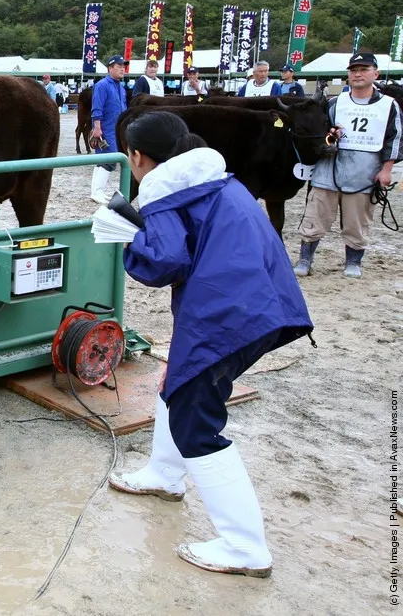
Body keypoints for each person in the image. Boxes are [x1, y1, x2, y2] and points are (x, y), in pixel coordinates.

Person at [109, 110, 313, 578]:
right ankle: (164, 474)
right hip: (260, 302)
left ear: (138, 157)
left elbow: (162, 264)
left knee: (196, 421)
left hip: (227, 316)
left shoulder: (163, 191)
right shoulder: (213, 177)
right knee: (178, 383)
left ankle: (245, 547)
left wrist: (126, 235)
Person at [293, 52, 401, 278]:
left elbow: (395, 138)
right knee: (315, 213)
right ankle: (305, 258)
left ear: (375, 73)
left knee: (357, 219)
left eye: (363, 69)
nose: (358, 74)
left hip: (364, 169)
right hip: (329, 167)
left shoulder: (389, 105)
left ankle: (353, 261)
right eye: (353, 70)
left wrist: (386, 169)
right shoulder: (334, 103)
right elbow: (319, 132)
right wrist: (329, 134)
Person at [89, 54, 128, 203]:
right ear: (110, 68)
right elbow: (97, 108)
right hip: (106, 128)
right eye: (119, 66)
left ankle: (97, 191)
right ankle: (97, 192)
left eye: (123, 66)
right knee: (109, 159)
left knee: (102, 160)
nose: (122, 69)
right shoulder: (102, 85)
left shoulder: (120, 86)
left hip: (116, 127)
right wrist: (97, 127)